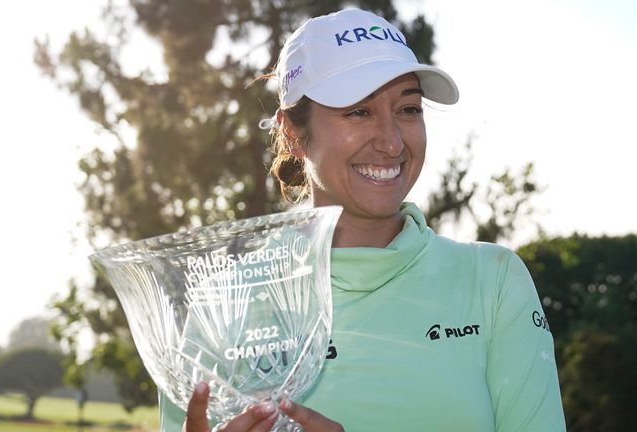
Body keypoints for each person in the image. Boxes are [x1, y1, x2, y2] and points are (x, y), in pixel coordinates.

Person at [162, 8, 566, 432]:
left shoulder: (494, 281)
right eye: (358, 112)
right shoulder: (224, 306)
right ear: (293, 134)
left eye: (408, 109)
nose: (392, 142)